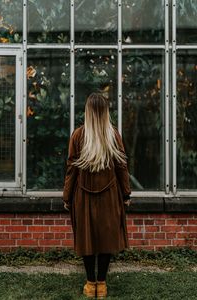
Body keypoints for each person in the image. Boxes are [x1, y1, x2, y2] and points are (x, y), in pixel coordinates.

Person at [63, 92, 131, 299]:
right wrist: (126, 193)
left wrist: (67, 196)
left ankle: (90, 282)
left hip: (83, 196)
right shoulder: (114, 135)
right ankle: (101, 284)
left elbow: (71, 170)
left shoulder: (78, 135)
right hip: (110, 195)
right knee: (106, 237)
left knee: (87, 237)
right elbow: (122, 168)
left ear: (88, 112)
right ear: (105, 112)